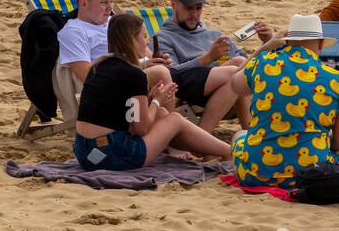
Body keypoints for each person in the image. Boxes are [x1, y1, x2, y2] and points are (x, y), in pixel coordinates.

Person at [74, 13, 232, 172]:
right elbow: (140, 129)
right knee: (175, 119)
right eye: (144, 36)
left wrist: (150, 99)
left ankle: (204, 149)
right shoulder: (134, 75)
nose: (148, 41)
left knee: (162, 114)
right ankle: (229, 152)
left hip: (85, 154)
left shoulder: (98, 66)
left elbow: (117, 109)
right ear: (131, 40)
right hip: (113, 154)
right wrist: (156, 100)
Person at [228, 14, 339, 189]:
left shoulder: (262, 64)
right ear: (320, 44)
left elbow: (234, 84)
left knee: (240, 136)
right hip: (312, 175)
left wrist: (265, 48)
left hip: (255, 174)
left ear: (287, 42)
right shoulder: (336, 80)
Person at [157, 0, 258, 130]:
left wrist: (267, 41)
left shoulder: (213, 35)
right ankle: (247, 133)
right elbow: (170, 74)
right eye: (189, 8)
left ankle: (247, 132)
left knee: (239, 62)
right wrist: (207, 58)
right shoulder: (163, 38)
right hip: (188, 90)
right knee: (235, 71)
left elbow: (247, 62)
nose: (194, 14)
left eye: (198, 8)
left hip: (224, 89)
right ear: (173, 4)